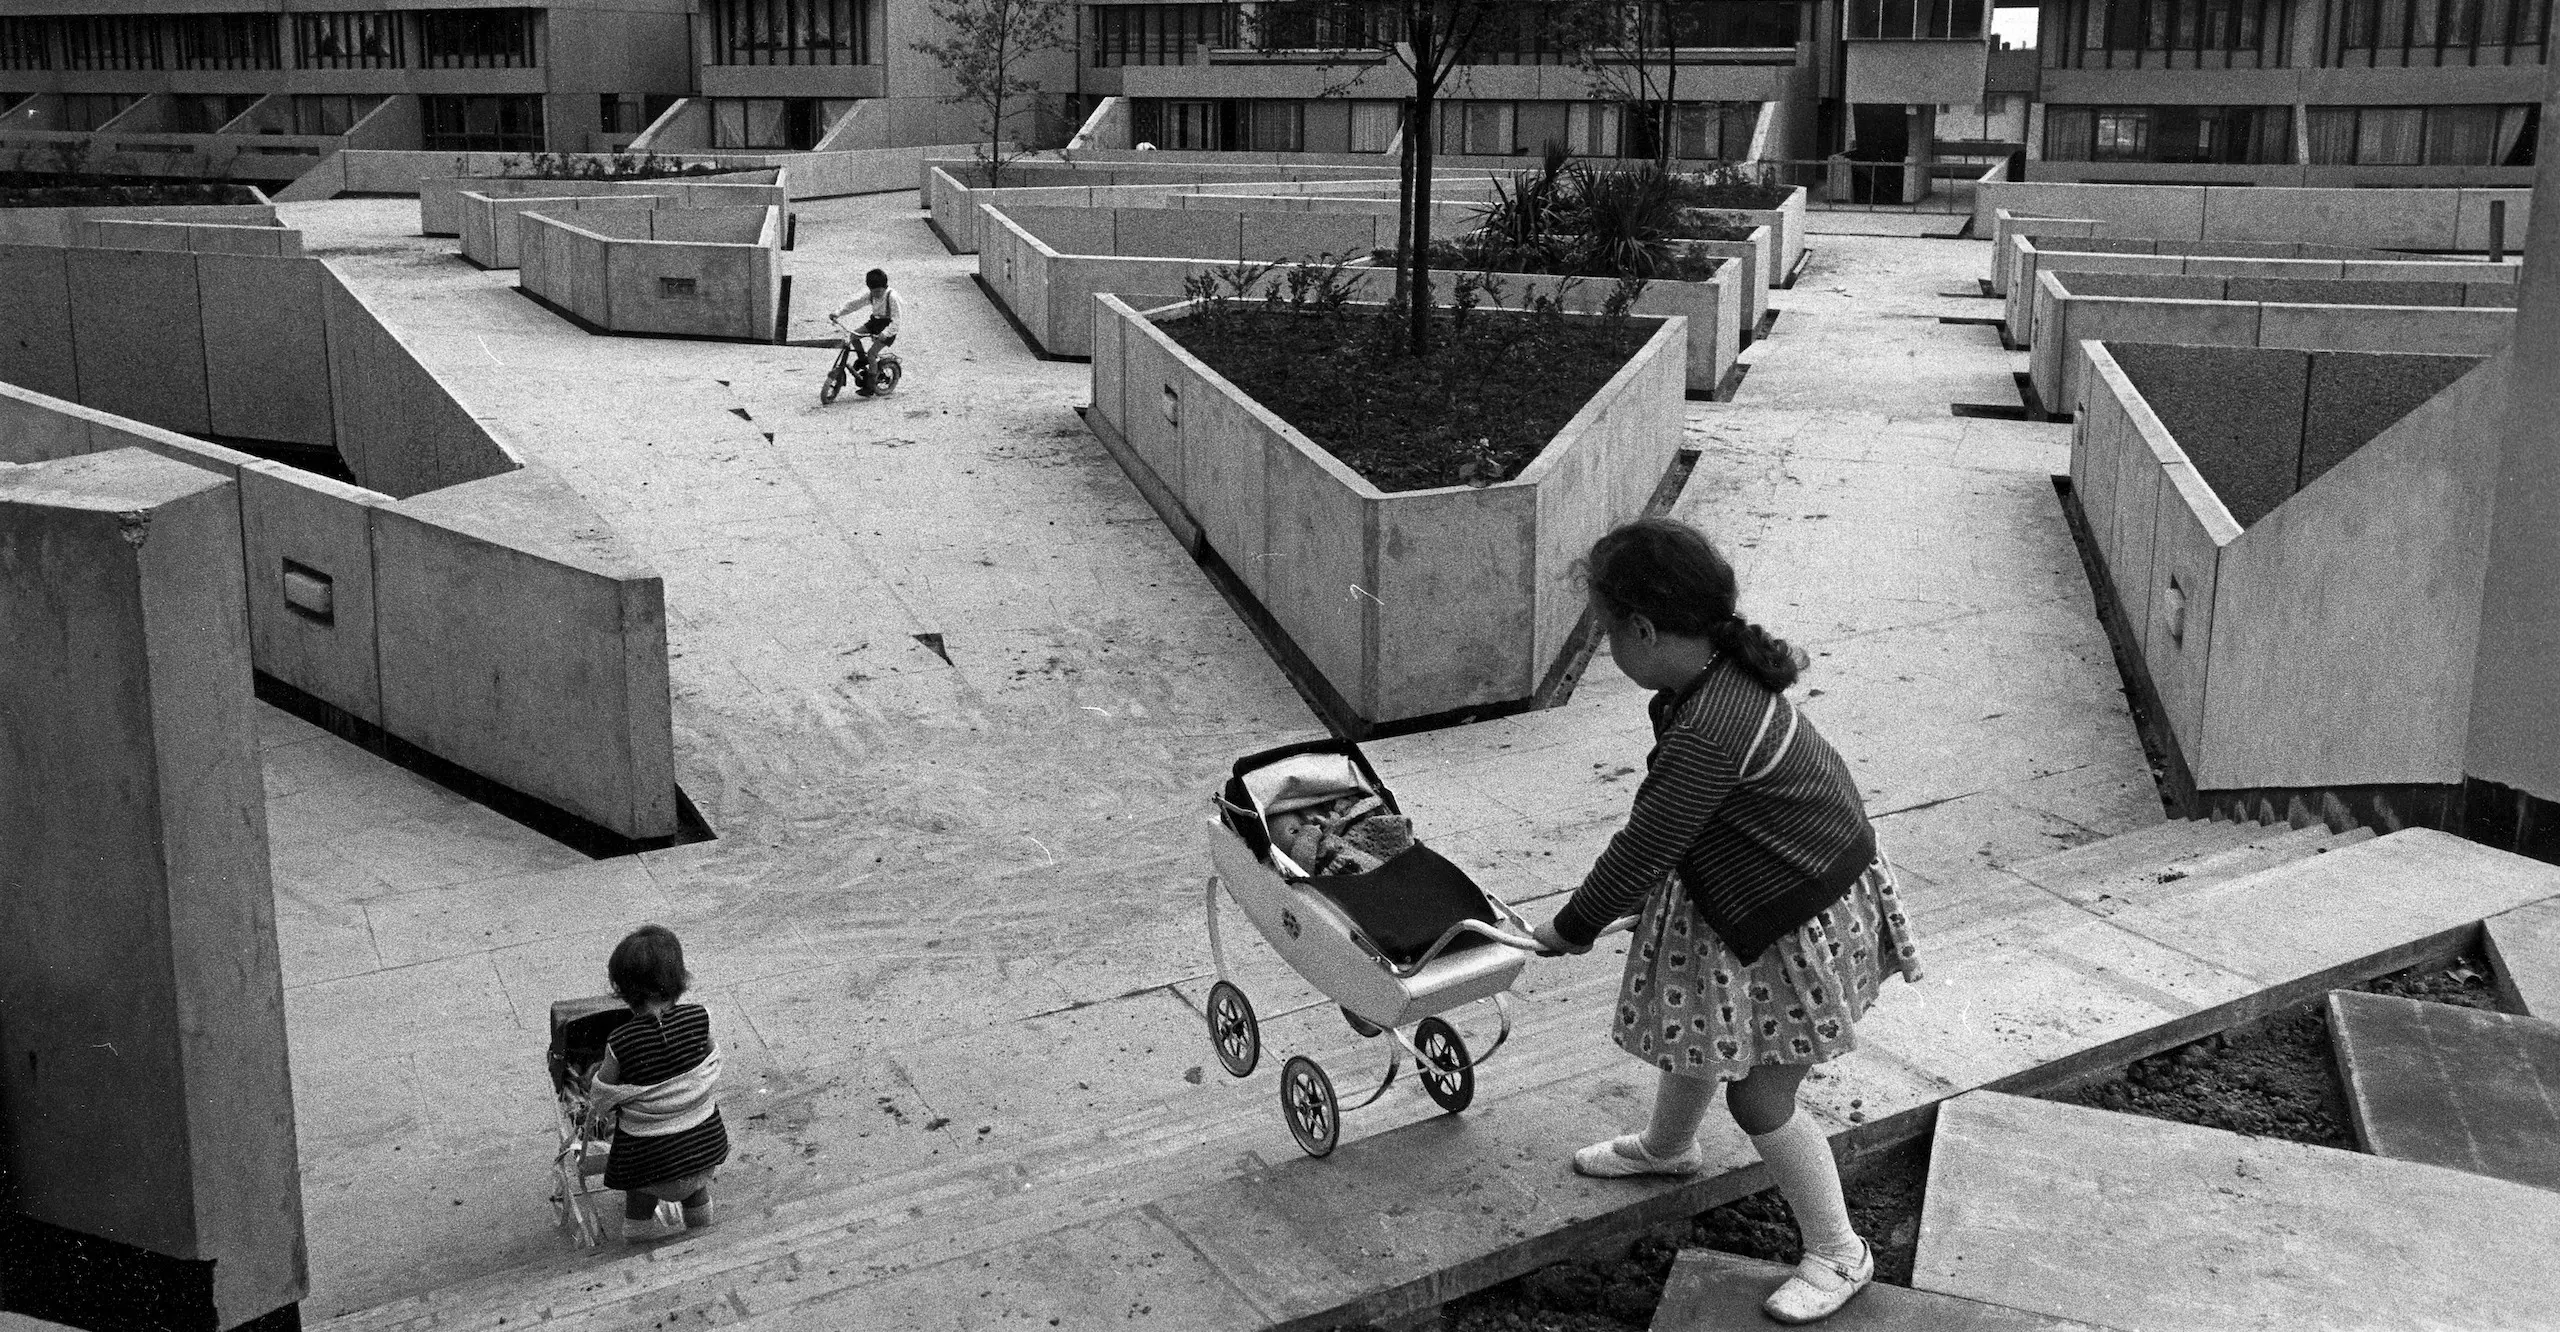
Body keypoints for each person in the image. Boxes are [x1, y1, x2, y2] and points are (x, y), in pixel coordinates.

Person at [1532, 517, 1923, 1326]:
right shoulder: (1710, 682)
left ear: (1641, 630)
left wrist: (1571, 926)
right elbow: (1688, 827)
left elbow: (1644, 844)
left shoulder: (1710, 723)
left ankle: (1840, 1250)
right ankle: (1669, 1151)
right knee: (1704, 1026)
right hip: (1761, 891)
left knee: (1760, 1100)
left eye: (1608, 633)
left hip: (1799, 913)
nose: (1611, 649)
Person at [587, 925, 730, 1243]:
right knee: (692, 1177)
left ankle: (638, 1231)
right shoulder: (700, 1017)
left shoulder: (620, 1041)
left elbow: (605, 1089)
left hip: (650, 1163)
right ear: (679, 981)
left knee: (642, 1187)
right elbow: (707, 1063)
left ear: (621, 990)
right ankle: (701, 1225)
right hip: (704, 1148)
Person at [830, 268, 902, 396]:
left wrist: (885, 334)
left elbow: (897, 321)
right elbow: (855, 304)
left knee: (872, 353)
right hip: (874, 323)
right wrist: (838, 313)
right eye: (873, 291)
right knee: (853, 336)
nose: (875, 294)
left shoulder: (892, 297)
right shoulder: (871, 294)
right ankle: (862, 359)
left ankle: (870, 385)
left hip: (888, 328)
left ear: (885, 287)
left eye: (878, 291)